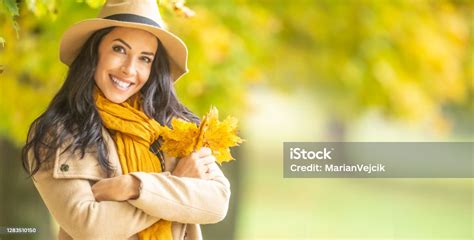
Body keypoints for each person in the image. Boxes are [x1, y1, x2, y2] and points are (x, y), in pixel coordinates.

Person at [21, 0, 231, 239]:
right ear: (94, 52)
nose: (130, 69)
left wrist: (133, 187)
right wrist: (176, 184)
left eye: (145, 58)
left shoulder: (175, 128)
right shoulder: (59, 133)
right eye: (119, 49)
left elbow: (217, 202)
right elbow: (90, 227)